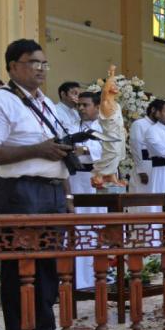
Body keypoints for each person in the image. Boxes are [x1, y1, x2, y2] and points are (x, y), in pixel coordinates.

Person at [0, 38, 74, 330]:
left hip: (51, 191)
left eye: (44, 63)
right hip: (20, 192)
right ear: (14, 65)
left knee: (47, 267)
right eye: (34, 63)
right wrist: (37, 149)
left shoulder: (44, 103)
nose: (41, 69)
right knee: (20, 267)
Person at [68, 91, 104, 289]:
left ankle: (100, 273)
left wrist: (84, 150)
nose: (81, 108)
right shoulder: (72, 126)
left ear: (97, 107)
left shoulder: (105, 126)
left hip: (96, 178)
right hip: (76, 178)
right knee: (78, 226)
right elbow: (66, 147)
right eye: (79, 105)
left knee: (96, 226)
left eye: (85, 105)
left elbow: (106, 152)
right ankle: (79, 277)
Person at [128, 99, 159, 207]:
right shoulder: (139, 124)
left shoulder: (160, 127)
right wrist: (140, 170)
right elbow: (135, 147)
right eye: (164, 112)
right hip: (144, 165)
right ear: (153, 110)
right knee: (141, 198)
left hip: (156, 167)